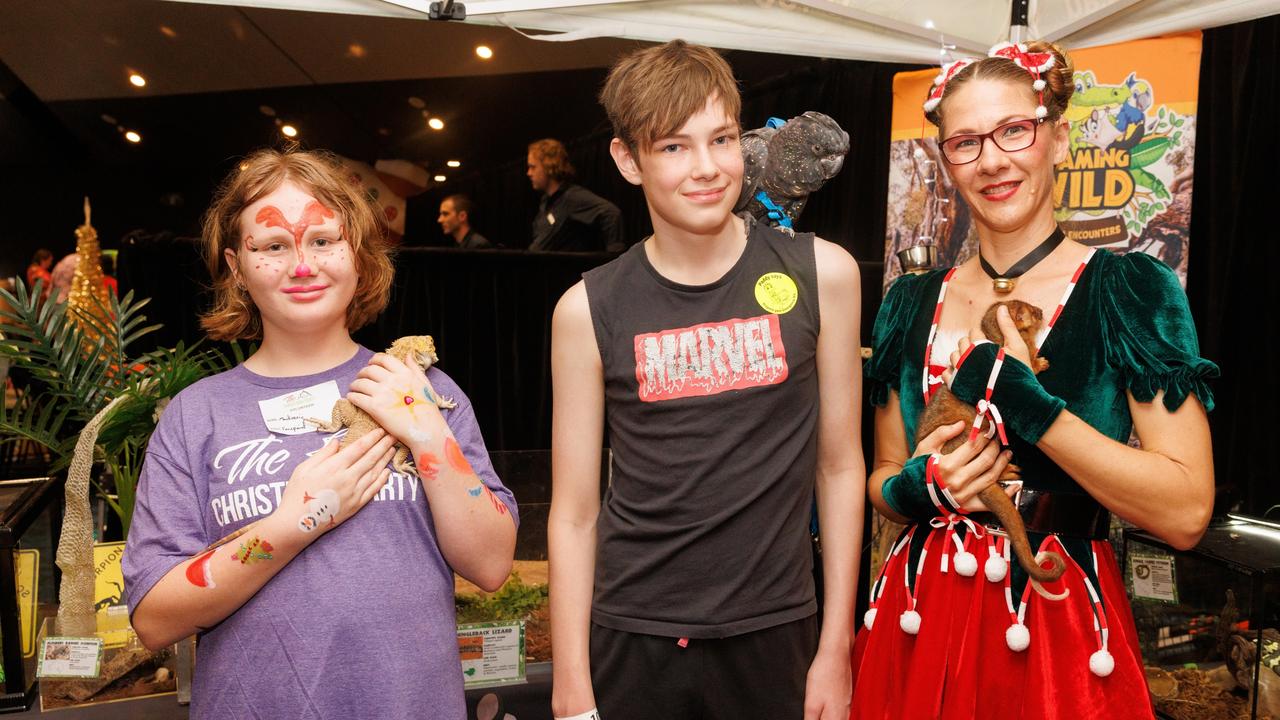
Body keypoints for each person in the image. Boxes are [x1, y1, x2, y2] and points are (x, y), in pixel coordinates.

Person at [852, 41, 1216, 719]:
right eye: (965, 142)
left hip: (1053, 621)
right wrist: (919, 486)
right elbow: (885, 475)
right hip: (917, 618)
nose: (992, 160)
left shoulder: (1128, 291)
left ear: (1056, 136)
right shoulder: (909, 301)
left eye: (1014, 130)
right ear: (946, 160)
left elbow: (1188, 511)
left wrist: (1036, 411)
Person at [123, 148, 517, 719]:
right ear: (237, 267)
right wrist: (293, 524)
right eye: (273, 246)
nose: (301, 266)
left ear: (359, 251)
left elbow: (491, 563)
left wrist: (429, 434)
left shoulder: (419, 386)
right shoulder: (195, 416)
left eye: (323, 241)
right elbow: (155, 618)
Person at [549, 40, 865, 720]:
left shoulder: (826, 275)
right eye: (672, 147)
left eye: (720, 139)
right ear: (628, 161)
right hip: (633, 635)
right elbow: (574, 513)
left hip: (776, 630)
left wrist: (837, 646)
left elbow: (839, 469)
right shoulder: (586, 310)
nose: (705, 169)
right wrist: (570, 682)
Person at [527, 138, 626, 252]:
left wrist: (615, 259)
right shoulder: (545, 202)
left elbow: (611, 213)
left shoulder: (571, 197)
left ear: (549, 165)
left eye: (533, 167)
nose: (529, 173)